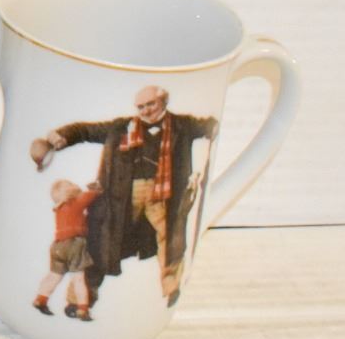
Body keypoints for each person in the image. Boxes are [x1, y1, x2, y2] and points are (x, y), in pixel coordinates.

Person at [33, 86, 217, 306]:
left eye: (151, 104)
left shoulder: (182, 125)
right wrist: (62, 135)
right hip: (123, 196)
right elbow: (86, 131)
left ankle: (172, 289)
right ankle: (81, 299)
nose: (146, 111)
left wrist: (213, 127)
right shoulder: (120, 127)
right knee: (102, 242)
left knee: (171, 239)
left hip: (164, 194)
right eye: (141, 107)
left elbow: (209, 125)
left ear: (164, 101)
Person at [36, 180, 102, 321]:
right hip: (73, 244)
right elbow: (89, 196)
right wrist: (96, 189)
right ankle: (83, 309)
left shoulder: (58, 209)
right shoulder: (74, 203)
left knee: (54, 276)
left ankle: (40, 299)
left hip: (57, 246)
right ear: (71, 192)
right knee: (79, 279)